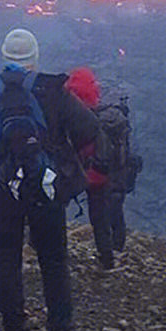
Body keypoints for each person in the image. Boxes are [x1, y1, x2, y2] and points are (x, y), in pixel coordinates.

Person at [0, 28, 97, 331]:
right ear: (34, 59)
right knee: (54, 258)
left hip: (3, 191)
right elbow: (89, 128)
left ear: (4, 57)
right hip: (45, 188)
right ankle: (60, 326)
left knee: (6, 260)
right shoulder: (53, 91)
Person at [65, 67, 132, 272]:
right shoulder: (109, 118)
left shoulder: (69, 111)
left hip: (74, 171)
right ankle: (107, 257)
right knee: (100, 218)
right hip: (100, 175)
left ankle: (42, 247)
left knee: (55, 207)